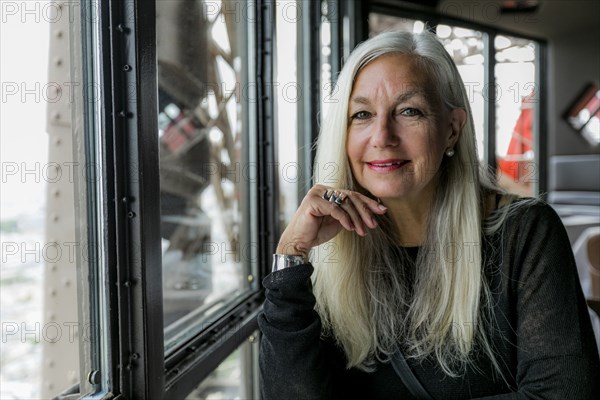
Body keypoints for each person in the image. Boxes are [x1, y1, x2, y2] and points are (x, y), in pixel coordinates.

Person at [258, 30, 600, 399]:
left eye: (409, 111)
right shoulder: (326, 243)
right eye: (362, 114)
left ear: (452, 130)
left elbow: (563, 393)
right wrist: (290, 255)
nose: (382, 136)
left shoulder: (527, 232)